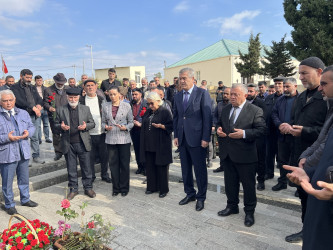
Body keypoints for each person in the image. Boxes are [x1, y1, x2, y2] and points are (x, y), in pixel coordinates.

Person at [285, 57, 327, 244]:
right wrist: (291, 127)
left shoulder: (326, 98)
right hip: (300, 155)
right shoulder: (301, 96)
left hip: (319, 160)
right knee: (303, 197)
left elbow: (327, 133)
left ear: (319, 72)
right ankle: (306, 230)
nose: (300, 77)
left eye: (304, 73)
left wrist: (305, 131)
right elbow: (297, 121)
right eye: (299, 73)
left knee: (317, 200)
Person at [216, 83, 266, 227]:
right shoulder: (226, 110)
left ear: (245, 95)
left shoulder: (255, 110)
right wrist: (219, 130)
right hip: (227, 154)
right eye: (231, 94)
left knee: (248, 185)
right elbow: (220, 124)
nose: (231, 97)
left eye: (235, 94)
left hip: (246, 156)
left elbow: (262, 130)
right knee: (230, 184)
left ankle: (249, 212)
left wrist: (244, 134)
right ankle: (232, 206)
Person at [173, 67, 212, 212]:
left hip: (197, 139)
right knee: (185, 170)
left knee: (200, 170)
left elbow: (207, 117)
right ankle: (190, 194)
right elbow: (176, 117)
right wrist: (176, 135)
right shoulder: (177, 96)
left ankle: (201, 197)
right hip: (182, 139)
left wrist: (205, 137)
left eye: (184, 78)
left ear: (192, 79)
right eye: (180, 78)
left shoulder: (202, 93)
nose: (181, 81)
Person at [0, 89, 39, 215]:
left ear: (15, 100)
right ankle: (9, 204)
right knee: (7, 181)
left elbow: (31, 126)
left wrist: (29, 132)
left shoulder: (23, 113)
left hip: (23, 151)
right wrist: (7, 137)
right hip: (7, 153)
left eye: (10, 100)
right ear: (0, 102)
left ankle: (25, 199)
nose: (8, 103)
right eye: (5, 101)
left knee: (24, 178)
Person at [54, 88, 96, 200]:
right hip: (68, 143)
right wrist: (61, 127)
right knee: (71, 168)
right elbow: (55, 126)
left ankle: (88, 188)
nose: (73, 99)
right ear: (67, 97)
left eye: (75, 97)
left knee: (86, 167)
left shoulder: (85, 109)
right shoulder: (60, 109)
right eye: (70, 97)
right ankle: (73, 188)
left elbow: (92, 123)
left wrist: (85, 126)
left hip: (82, 142)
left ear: (78, 98)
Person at [140, 91, 173, 198]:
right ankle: (151, 187)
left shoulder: (165, 112)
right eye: (148, 104)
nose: (150, 106)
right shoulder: (148, 112)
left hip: (161, 145)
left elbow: (171, 126)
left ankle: (163, 189)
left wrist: (162, 126)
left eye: (152, 103)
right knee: (150, 167)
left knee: (161, 167)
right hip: (149, 144)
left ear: (158, 101)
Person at [102, 86, 134, 197]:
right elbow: (102, 122)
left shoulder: (126, 106)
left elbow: (131, 122)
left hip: (124, 139)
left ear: (119, 94)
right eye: (110, 94)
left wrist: (125, 127)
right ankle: (116, 188)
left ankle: (124, 188)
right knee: (113, 165)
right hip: (111, 139)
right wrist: (105, 127)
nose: (112, 96)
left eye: (114, 94)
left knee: (124, 164)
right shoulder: (105, 106)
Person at [10, 69, 45, 164]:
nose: (29, 79)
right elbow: (19, 101)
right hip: (21, 116)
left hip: (34, 116)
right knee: (23, 136)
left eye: (30, 77)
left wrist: (39, 105)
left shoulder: (32, 87)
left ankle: (36, 156)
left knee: (35, 136)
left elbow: (39, 98)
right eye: (27, 77)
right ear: (21, 76)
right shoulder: (14, 87)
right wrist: (33, 107)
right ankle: (25, 158)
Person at [80, 80, 111, 183]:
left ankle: (104, 174)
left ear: (96, 87)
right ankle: (91, 176)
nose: (90, 87)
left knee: (104, 156)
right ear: (84, 87)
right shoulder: (81, 100)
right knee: (90, 157)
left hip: (101, 132)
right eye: (87, 86)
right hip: (87, 134)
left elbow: (107, 114)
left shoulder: (102, 99)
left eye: (92, 85)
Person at [271, 78, 298, 191]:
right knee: (282, 160)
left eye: (288, 87)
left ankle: (297, 185)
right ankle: (282, 181)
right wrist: (280, 125)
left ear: (295, 86)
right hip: (282, 135)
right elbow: (274, 113)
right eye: (284, 86)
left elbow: (303, 116)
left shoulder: (301, 99)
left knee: (296, 160)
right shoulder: (280, 100)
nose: (285, 89)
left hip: (295, 135)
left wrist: (290, 127)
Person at [43, 73, 69, 161]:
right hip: (54, 115)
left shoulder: (68, 89)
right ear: (55, 81)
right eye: (59, 83)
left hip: (66, 114)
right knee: (56, 134)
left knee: (67, 133)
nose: (61, 85)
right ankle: (58, 152)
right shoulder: (48, 90)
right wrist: (49, 107)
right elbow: (45, 102)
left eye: (62, 83)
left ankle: (67, 151)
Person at [246, 83, 267, 191]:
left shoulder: (261, 104)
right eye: (248, 91)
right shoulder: (243, 103)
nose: (249, 93)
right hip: (246, 137)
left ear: (256, 93)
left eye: (251, 91)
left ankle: (261, 181)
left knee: (260, 160)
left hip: (258, 137)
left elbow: (263, 120)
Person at [264, 76, 284, 180]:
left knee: (281, 156)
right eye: (275, 84)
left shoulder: (286, 97)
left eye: (279, 84)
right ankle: (269, 173)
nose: (277, 86)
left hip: (281, 132)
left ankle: (282, 177)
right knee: (269, 154)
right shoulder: (269, 98)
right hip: (269, 131)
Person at [213, 87, 231, 173]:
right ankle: (222, 166)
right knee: (221, 150)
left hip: (230, 131)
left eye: (227, 94)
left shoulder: (233, 105)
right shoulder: (219, 104)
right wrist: (217, 126)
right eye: (224, 93)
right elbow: (215, 116)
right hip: (220, 130)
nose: (225, 95)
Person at [131, 88, 148, 175]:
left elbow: (149, 117)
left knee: (144, 149)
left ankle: (145, 167)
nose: (134, 96)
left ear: (140, 95)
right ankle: (139, 167)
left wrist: (140, 123)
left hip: (143, 130)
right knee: (137, 149)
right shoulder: (131, 104)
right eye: (133, 94)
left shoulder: (146, 103)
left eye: (136, 94)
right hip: (134, 130)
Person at [34, 75, 52, 144]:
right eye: (38, 80)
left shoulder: (46, 89)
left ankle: (47, 138)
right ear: (35, 81)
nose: (39, 82)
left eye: (40, 80)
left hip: (45, 109)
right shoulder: (32, 88)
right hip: (37, 109)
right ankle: (39, 139)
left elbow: (48, 99)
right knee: (38, 125)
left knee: (46, 124)